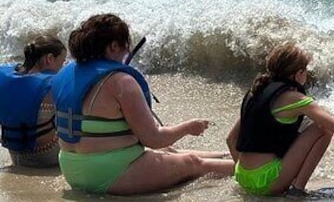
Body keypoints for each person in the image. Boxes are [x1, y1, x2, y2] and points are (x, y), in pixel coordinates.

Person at [52, 13, 233, 194]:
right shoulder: (121, 82)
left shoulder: (63, 75)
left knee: (168, 150)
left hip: (71, 168)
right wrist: (188, 127)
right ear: (114, 46)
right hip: (111, 173)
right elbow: (153, 139)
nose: (126, 53)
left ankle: (228, 156)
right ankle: (247, 168)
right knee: (193, 163)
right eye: (125, 47)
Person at [226, 43, 334, 196]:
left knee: (299, 125)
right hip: (266, 181)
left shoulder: (255, 92)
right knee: (324, 128)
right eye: (305, 71)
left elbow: (231, 139)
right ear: (298, 74)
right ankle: (297, 190)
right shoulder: (294, 98)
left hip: (242, 176)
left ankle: (276, 182)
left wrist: (247, 174)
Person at [0, 35, 67, 167]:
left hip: (14, 152)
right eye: (62, 61)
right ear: (50, 58)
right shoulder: (53, 82)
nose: (62, 66)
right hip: (46, 155)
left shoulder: (3, 75)